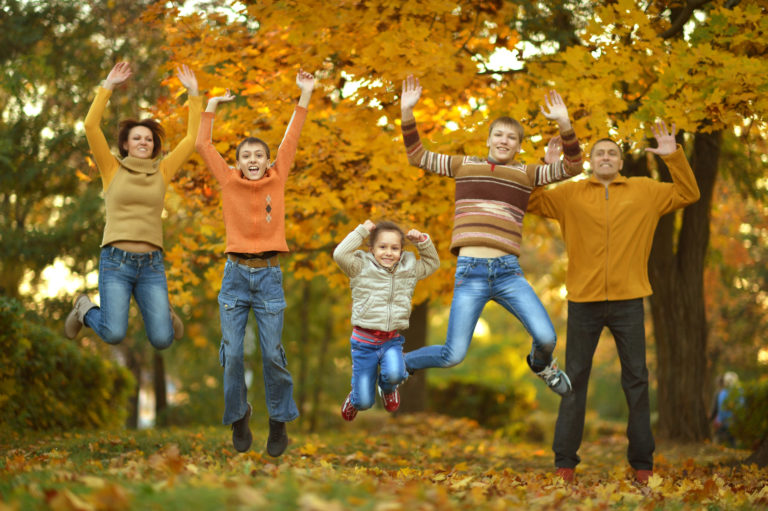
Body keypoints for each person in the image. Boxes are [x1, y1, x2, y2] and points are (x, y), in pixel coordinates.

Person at [528, 121, 701, 483]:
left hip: (629, 300)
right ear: (590, 161)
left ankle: (642, 466)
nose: (605, 157)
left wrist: (674, 157)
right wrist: (547, 168)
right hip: (582, 300)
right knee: (573, 380)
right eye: (599, 153)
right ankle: (564, 465)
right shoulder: (571, 193)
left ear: (621, 161)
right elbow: (531, 200)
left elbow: (689, 194)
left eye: (612, 153)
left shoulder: (645, 191)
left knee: (636, 380)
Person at [398, 75, 583, 396]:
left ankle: (541, 365)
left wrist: (565, 124)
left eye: (512, 137)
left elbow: (573, 166)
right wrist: (407, 112)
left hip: (507, 273)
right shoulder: (464, 165)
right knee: (452, 354)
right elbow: (418, 156)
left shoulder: (527, 173)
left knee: (547, 339)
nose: (504, 140)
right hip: (470, 272)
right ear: (488, 140)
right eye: (498, 134)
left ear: (519, 146)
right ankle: (398, 364)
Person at [195, 70, 315, 456]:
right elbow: (202, 144)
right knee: (232, 353)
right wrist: (211, 108)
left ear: (267, 162)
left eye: (258, 156)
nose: (252, 160)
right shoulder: (228, 182)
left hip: (268, 277)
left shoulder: (277, 180)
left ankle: (278, 421)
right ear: (237, 162)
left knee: (271, 353)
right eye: (245, 156)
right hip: (234, 277)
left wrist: (304, 96)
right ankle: (239, 414)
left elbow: (291, 140)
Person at [64, 62, 202, 349]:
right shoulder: (111, 168)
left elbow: (191, 140)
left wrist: (194, 94)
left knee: (163, 339)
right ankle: (84, 309)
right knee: (113, 333)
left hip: (151, 264)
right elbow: (90, 126)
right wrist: (108, 86)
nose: (144, 142)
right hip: (116, 262)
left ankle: (165, 313)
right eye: (137, 138)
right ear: (125, 144)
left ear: (154, 146)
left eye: (149, 139)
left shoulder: (162, 172)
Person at [333, 220, 440, 421]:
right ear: (372, 249)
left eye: (394, 248)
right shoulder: (359, 267)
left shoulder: (408, 270)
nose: (388, 252)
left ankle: (388, 388)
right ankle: (355, 398)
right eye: (382, 247)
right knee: (364, 402)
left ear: (401, 250)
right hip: (364, 343)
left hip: (391, 340)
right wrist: (362, 230)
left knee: (396, 374)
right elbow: (339, 254)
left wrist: (422, 242)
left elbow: (432, 264)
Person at [713, 371, 742, 446]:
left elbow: (721, 409)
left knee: (719, 442)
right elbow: (742, 408)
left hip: (724, 423)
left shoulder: (723, 393)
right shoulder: (740, 392)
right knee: (733, 443)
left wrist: (719, 420)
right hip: (735, 423)